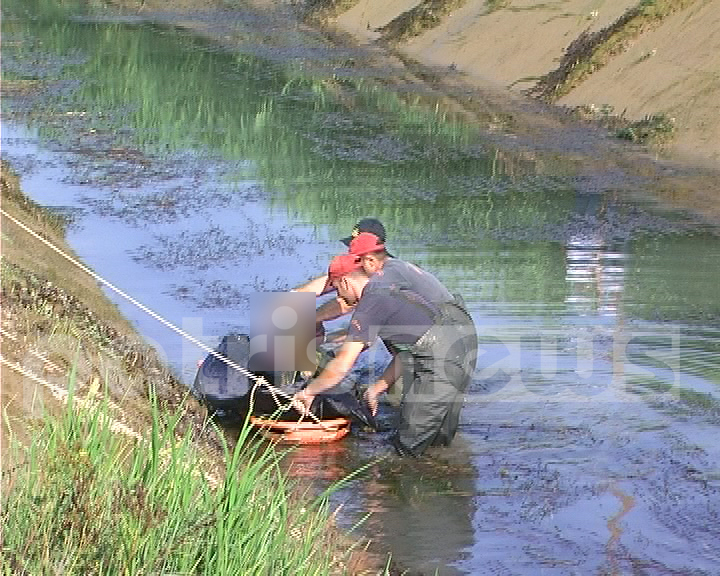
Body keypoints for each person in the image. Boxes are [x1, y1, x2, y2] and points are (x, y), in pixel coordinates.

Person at [292, 238, 478, 457]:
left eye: (337, 291)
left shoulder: (371, 303)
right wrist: (376, 389)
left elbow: (342, 365)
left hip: (441, 362)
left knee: (407, 445)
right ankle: (445, 480)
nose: (341, 298)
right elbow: (405, 352)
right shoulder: (386, 289)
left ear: (344, 282)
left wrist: (309, 392)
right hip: (460, 347)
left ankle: (402, 486)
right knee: (438, 440)